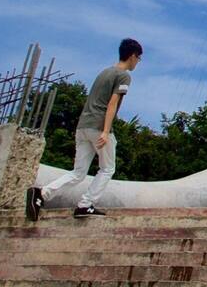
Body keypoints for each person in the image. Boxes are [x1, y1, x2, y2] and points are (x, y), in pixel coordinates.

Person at [26, 38, 143, 220]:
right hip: (99, 126)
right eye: (139, 59)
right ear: (133, 56)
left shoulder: (104, 72)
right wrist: (105, 131)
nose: (138, 63)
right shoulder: (124, 75)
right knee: (107, 169)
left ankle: (41, 194)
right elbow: (112, 104)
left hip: (83, 126)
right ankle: (86, 204)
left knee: (78, 172)